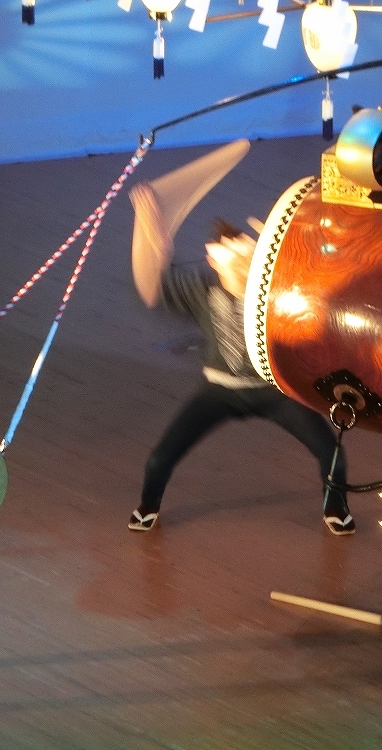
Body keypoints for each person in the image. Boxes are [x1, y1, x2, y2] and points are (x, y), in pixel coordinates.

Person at [128, 186, 353, 535]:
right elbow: (151, 287)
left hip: (273, 391)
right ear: (214, 263)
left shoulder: (277, 292)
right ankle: (148, 506)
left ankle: (335, 508)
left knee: (332, 454)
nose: (242, 263)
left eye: (247, 256)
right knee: (160, 458)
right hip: (219, 391)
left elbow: (323, 284)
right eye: (232, 258)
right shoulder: (202, 290)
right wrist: (150, 235)